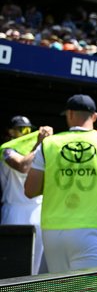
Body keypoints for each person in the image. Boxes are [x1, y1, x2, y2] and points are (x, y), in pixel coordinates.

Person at [24, 94, 97, 273]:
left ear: (70, 114)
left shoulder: (48, 145)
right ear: (95, 116)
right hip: (91, 231)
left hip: (53, 233)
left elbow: (30, 190)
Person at [0, 116, 53, 274]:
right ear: (11, 132)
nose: (27, 133)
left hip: (39, 211)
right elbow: (23, 166)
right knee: (13, 263)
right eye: (22, 130)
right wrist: (39, 143)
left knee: (38, 268)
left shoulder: (41, 151)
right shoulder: (6, 150)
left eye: (29, 130)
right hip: (14, 212)